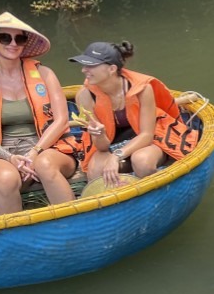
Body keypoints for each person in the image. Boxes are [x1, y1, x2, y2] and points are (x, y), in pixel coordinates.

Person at [0, 11, 75, 214]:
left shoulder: (45, 74)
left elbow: (61, 120)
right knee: (6, 178)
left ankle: (73, 227)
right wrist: (10, 157)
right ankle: (13, 238)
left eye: (20, 38)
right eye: (5, 37)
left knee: (44, 165)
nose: (13, 43)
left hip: (47, 147)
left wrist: (34, 152)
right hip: (2, 153)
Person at [70, 41, 199, 187]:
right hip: (113, 144)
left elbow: (146, 135)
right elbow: (102, 147)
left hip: (149, 140)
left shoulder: (142, 89)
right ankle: (118, 201)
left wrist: (116, 156)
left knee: (142, 162)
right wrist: (98, 134)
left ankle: (154, 194)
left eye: (91, 66)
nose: (83, 70)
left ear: (112, 69)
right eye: (84, 65)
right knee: (95, 171)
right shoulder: (85, 96)